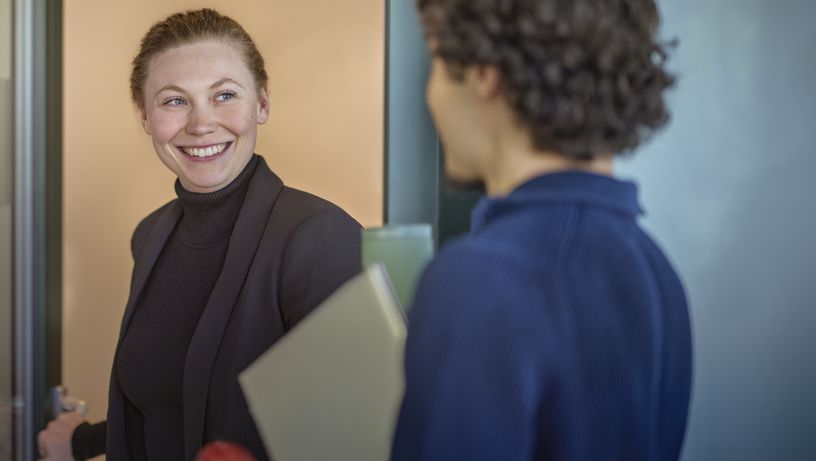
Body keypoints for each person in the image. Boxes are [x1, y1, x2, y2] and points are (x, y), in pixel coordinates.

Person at [38, 9, 362, 461]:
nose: (201, 124)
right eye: (175, 101)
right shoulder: (151, 236)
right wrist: (82, 442)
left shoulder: (319, 237)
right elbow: (173, 405)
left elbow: (356, 428)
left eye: (224, 95)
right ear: (144, 116)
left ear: (262, 103)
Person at [390, 0, 692, 459]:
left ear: (484, 73)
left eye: (436, 60)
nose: (431, 96)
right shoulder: (658, 272)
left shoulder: (479, 280)